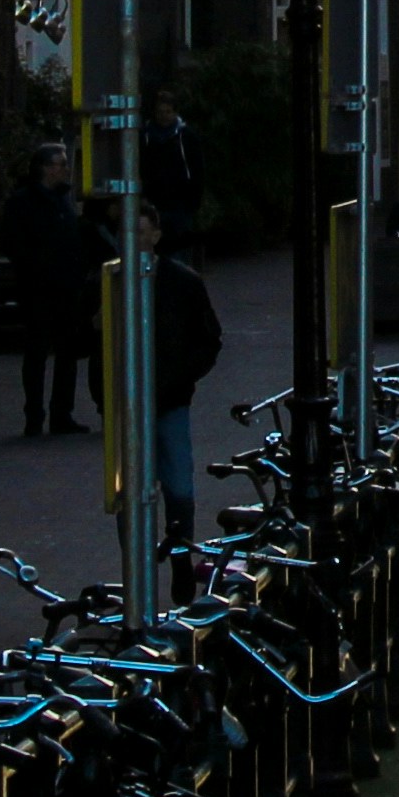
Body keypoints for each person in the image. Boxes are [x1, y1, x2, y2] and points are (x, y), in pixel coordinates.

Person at [135, 204, 224, 566]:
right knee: (129, 494)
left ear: (156, 235)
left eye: (141, 232)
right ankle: (137, 571)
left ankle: (181, 554)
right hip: (128, 403)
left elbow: (209, 337)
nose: (136, 240)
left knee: (179, 488)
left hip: (170, 398)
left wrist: (182, 375)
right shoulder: (110, 281)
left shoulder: (183, 283)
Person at [7, 143, 100, 440]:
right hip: (39, 288)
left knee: (66, 352)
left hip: (65, 287)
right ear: (45, 168)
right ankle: (35, 414)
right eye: (60, 164)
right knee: (38, 352)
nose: (65, 170)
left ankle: (61, 412)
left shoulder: (62, 201)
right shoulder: (25, 203)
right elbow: (16, 245)